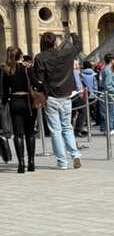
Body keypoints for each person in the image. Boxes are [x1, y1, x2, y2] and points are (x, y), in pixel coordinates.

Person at [33, 31, 83, 170]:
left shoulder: (40, 57)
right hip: (66, 95)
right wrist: (73, 35)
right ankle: (75, 154)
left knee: (55, 130)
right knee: (67, 126)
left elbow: (39, 79)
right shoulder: (66, 53)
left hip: (51, 96)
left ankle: (62, 161)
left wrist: (41, 89)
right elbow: (78, 47)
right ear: (55, 41)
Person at [2, 47, 38, 172]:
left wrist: (5, 102)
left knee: (18, 134)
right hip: (28, 102)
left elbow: (5, 91)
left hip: (15, 102)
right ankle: (31, 162)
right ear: (20, 55)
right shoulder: (27, 68)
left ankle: (21, 164)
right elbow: (35, 83)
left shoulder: (7, 70)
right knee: (30, 132)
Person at [98, 55, 114, 135]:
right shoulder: (107, 70)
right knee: (111, 111)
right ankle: (111, 129)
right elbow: (108, 85)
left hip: (112, 93)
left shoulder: (106, 69)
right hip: (111, 93)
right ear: (111, 60)